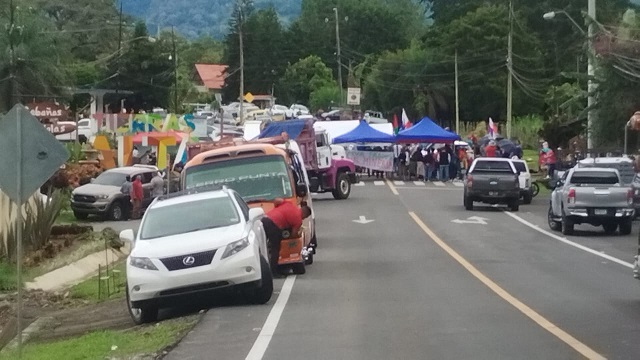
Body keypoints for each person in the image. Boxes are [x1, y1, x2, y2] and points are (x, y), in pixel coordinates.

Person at [261, 199, 313, 274]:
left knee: (263, 244)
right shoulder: (298, 220)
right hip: (274, 225)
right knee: (275, 248)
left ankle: (263, 266)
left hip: (265, 219)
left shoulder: (289, 204)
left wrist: (276, 208)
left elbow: (277, 200)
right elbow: (293, 234)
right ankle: (274, 271)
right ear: (305, 215)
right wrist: (297, 234)